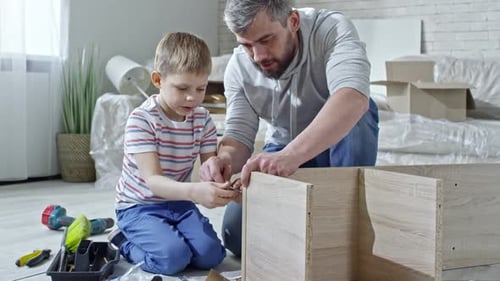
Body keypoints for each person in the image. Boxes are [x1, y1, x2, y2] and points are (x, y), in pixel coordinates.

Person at [199, 0, 379, 257]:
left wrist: (292, 155)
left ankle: (348, 221)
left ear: (293, 21)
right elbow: (238, 135)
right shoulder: (238, 68)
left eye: (266, 39)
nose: (258, 57)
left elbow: (353, 97)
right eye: (247, 45)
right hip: (282, 147)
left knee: (359, 110)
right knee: (236, 237)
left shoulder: (332, 30)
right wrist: (224, 160)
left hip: (335, 144)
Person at [108, 32, 240, 275]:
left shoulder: (202, 119)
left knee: (212, 255)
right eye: (182, 88)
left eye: (201, 88)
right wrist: (196, 192)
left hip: (178, 202)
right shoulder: (142, 120)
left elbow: (209, 166)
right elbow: (154, 181)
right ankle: (122, 240)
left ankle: (167, 236)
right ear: (158, 80)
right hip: (139, 206)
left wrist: (221, 185)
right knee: (172, 259)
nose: (192, 97)